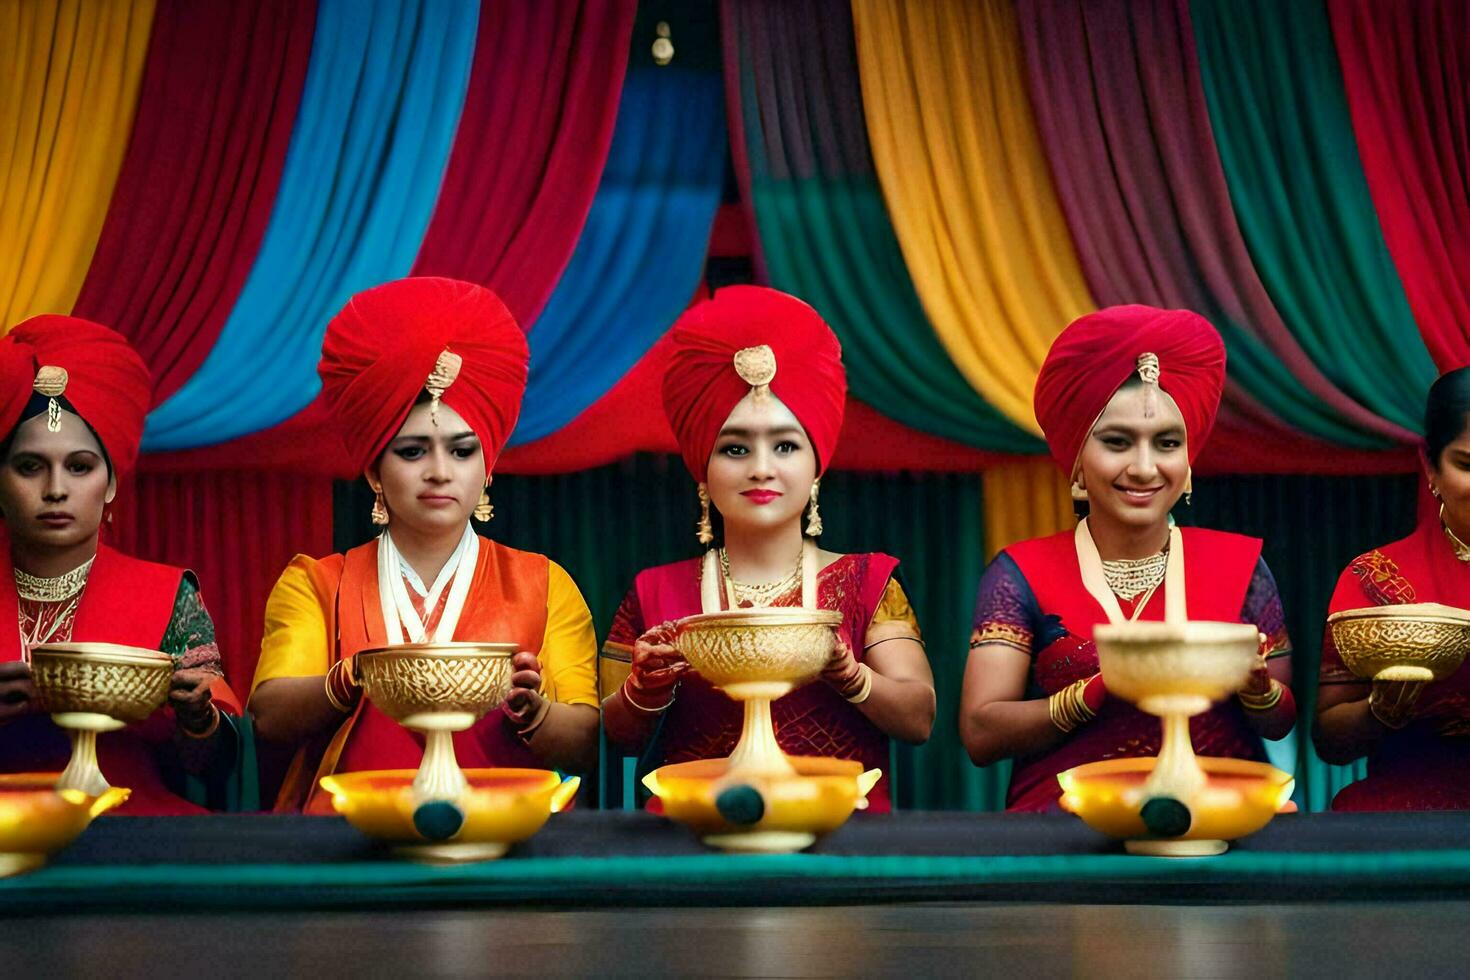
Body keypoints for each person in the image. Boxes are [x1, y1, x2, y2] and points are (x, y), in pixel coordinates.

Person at [249, 278, 598, 813]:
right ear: (373, 470)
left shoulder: (544, 584)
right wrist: (354, 674)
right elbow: (270, 717)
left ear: (488, 468)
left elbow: (585, 743)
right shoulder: (317, 584)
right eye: (413, 452)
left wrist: (535, 711)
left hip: (504, 836)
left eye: (461, 452)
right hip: (350, 834)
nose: (439, 473)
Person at [599, 286, 935, 812]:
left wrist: (850, 675)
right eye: (735, 448)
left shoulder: (866, 581)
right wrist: (644, 686)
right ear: (702, 469)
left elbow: (918, 719)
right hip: (694, 837)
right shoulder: (656, 590)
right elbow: (616, 738)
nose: (761, 467)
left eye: (785, 445)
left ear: (815, 465)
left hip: (839, 837)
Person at [959, 305, 1295, 812]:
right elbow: (981, 732)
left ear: (1186, 464)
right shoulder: (1021, 572)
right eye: (1117, 442)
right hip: (1068, 828)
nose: (1144, 467)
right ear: (1077, 460)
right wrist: (1095, 691)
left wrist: (1257, 687)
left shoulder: (1241, 566)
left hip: (1214, 823)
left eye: (1167, 443)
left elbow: (1281, 721)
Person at [0, 316, 240, 814]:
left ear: (110, 484)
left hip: (136, 828)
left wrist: (198, 719)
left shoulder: (167, 594)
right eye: (29, 466)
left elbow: (215, 766)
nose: (55, 489)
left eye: (80, 466)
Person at [1315, 367, 1470, 810]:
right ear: (1430, 466)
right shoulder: (1376, 577)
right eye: (1468, 465)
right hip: (1409, 806)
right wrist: (1380, 711)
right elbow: (1330, 740)